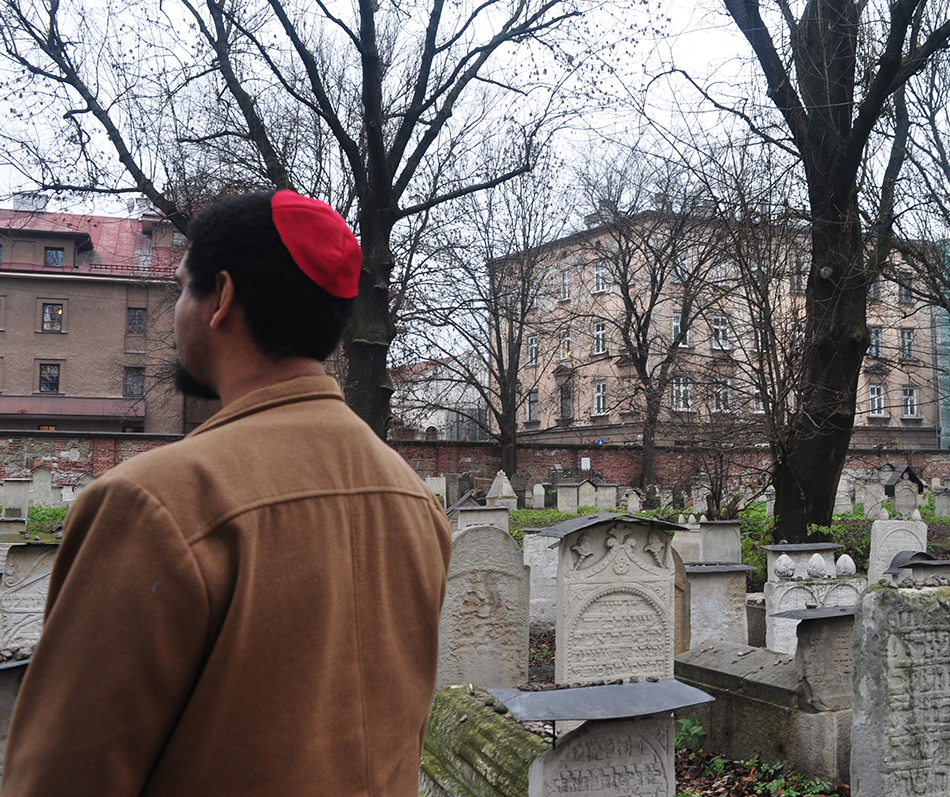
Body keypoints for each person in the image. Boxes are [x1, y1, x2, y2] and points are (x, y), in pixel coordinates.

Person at [1, 191, 452, 796]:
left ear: (223, 298)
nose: (178, 310)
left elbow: (61, 778)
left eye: (185, 288)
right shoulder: (415, 501)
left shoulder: (152, 504)